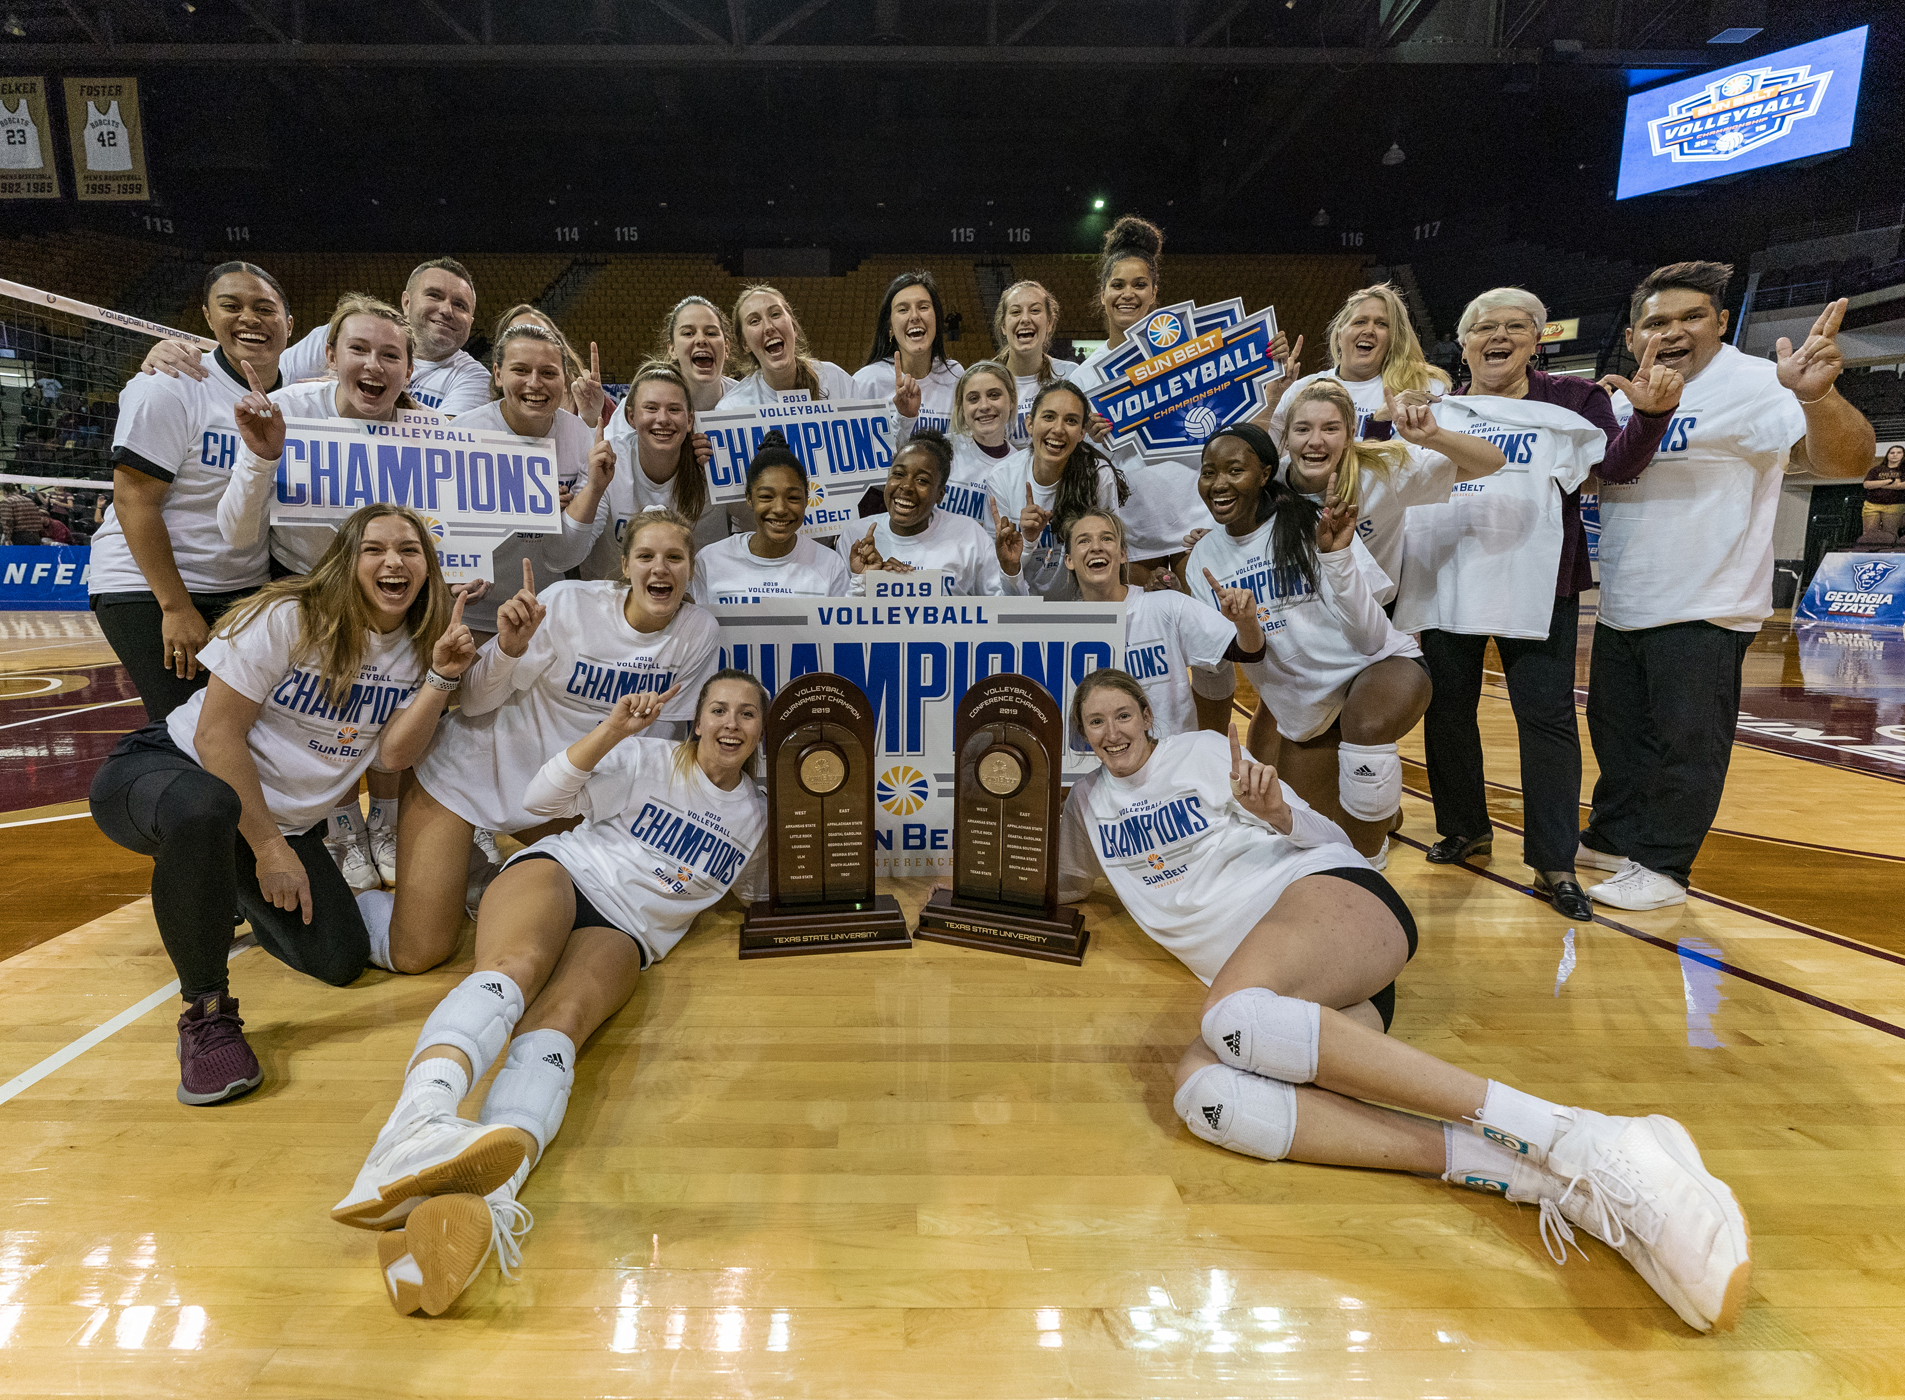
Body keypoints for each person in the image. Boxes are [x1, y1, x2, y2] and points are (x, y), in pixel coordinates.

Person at [1057, 668, 1753, 1336]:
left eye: (1122, 714)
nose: (1112, 731)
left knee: (1230, 1015)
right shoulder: (1086, 805)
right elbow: (1043, 879)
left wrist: (1275, 812)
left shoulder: (1202, 751)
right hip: (1282, 996)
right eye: (1095, 722)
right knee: (1208, 1098)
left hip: (1325, 901)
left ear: (1148, 717)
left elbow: (1330, 839)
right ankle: (1537, 1179)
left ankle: (1583, 1136)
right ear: (1083, 737)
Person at [332, 670, 769, 1318]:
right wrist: (613, 729)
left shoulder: (757, 816)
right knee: (518, 963)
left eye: (747, 715)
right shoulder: (649, 756)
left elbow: (761, 895)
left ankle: (486, 1201)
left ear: (759, 731)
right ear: (698, 721)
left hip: (630, 931)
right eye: (719, 710)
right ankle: (414, 1126)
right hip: (567, 873)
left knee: (560, 1026)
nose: (731, 724)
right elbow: (543, 795)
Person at [86, 504, 468, 1105]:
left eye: (410, 550)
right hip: (170, 773)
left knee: (338, 959)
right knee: (207, 808)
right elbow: (216, 736)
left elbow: (393, 756)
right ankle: (206, 1016)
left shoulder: (422, 645)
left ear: (428, 568)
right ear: (347, 561)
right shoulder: (289, 616)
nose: (393, 561)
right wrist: (268, 847)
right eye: (375, 549)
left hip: (272, 823)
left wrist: (442, 678)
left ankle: (217, 882)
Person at [1582, 265, 1875, 910]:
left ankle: (1664, 867)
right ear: (1634, 337)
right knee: (1617, 731)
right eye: (1657, 322)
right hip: (1625, 601)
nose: (1675, 332)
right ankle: (1614, 837)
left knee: (1688, 742)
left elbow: (1847, 464)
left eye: (1692, 318)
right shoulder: (1628, 397)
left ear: (1720, 323)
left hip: (1709, 601)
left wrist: (1816, 397)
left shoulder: (1758, 383)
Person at [1397, 287, 1680, 919]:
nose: (1499, 337)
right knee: (1446, 712)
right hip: (1446, 576)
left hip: (1539, 585)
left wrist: (1651, 417)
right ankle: (1464, 826)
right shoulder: (1432, 410)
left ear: (1537, 339)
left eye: (1515, 327)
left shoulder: (1573, 403)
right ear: (1463, 342)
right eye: (1484, 327)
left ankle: (1554, 859)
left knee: (1546, 719)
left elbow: (1616, 466)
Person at [391, 507, 721, 971]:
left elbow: (667, 744)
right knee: (419, 953)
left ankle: (477, 873)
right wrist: (508, 648)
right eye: (645, 556)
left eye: (674, 558)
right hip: (472, 770)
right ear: (625, 567)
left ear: (690, 568)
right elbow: (474, 703)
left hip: (560, 792)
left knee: (593, 907)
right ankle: (395, 899)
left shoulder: (697, 632)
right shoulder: (568, 602)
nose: (660, 568)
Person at [1185, 423, 1448, 865]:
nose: (1219, 483)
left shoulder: (1309, 522)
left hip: (1377, 668)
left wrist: (1337, 557)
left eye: (1235, 470)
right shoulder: (1202, 561)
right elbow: (1245, 655)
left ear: (1266, 473)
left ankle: (1368, 865)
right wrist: (1246, 624)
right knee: (1300, 828)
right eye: (1208, 472)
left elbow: (1369, 635)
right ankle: (1381, 811)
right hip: (1305, 707)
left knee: (1361, 747)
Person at [88, 262, 289, 722]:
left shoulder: (296, 396)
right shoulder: (170, 385)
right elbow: (134, 500)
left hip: (241, 590)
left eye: (264, 308)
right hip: (149, 588)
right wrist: (176, 607)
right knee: (194, 728)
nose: (249, 318)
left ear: (288, 323)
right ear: (206, 316)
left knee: (253, 730)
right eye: (231, 306)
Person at [140, 257, 491, 415]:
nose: (446, 309)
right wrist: (189, 356)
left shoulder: (473, 377)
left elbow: (444, 441)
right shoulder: (336, 334)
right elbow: (262, 375)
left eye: (460, 304)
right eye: (435, 295)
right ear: (406, 301)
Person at [440, 322, 612, 636]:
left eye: (548, 373)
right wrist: (452, 576)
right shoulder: (462, 435)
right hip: (468, 615)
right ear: (497, 374)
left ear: (564, 379)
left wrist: (570, 510)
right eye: (520, 370)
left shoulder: (581, 440)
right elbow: (438, 530)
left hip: (540, 618)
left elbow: (565, 558)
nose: (535, 384)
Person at [1061, 508, 1266, 739]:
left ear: (1123, 554)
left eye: (1107, 538)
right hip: (1102, 763)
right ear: (1069, 560)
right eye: (1083, 540)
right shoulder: (1059, 629)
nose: (1096, 546)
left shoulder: (1167, 605)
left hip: (1174, 764)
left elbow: (1249, 652)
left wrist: (1246, 622)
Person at [587, 360, 734, 572]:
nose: (663, 419)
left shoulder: (703, 471)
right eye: (651, 408)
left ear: (690, 420)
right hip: (607, 597)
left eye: (674, 409)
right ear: (631, 417)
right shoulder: (611, 464)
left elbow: (706, 565)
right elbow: (567, 556)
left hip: (674, 598)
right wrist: (593, 488)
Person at [987, 380, 1129, 597]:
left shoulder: (1098, 475)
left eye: (1071, 421)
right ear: (1029, 424)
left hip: (1082, 607)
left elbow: (1111, 562)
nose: (1058, 429)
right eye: (1049, 417)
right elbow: (999, 577)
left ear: (1082, 433)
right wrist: (1028, 543)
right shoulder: (1003, 477)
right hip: (1022, 609)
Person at [1265, 283, 1449, 446]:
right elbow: (1264, 453)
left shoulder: (1421, 387)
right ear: (1339, 336)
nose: (1369, 330)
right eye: (1360, 321)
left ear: (1393, 340)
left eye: (1381, 324)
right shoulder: (1301, 389)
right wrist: (1271, 398)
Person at [838, 429, 1015, 597]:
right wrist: (868, 584)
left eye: (922, 480)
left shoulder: (969, 535)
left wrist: (1011, 571)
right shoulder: (855, 536)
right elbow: (832, 619)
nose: (906, 486)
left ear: (940, 494)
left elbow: (1005, 614)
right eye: (898, 474)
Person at [720, 284, 919, 425]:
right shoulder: (732, 409)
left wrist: (905, 417)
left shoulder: (836, 380)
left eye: (775, 314)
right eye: (754, 321)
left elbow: (874, 453)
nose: (769, 327)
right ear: (745, 343)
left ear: (794, 326)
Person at [691, 433, 850, 603]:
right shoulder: (710, 560)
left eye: (793, 498)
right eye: (766, 497)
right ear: (749, 498)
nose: (780, 509)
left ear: (807, 500)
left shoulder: (830, 564)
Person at [853, 269, 963, 435]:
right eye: (903, 310)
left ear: (936, 319)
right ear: (890, 327)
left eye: (923, 307)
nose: (915, 316)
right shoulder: (867, 383)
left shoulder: (955, 375)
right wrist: (905, 417)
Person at [990, 280, 1078, 449]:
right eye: (1015, 312)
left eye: (1035, 310)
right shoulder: (984, 383)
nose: (1025, 319)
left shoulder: (1071, 376)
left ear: (1050, 323)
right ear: (1003, 325)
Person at [486, 304, 605, 428]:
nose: (534, 383)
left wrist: (590, 419)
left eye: (540, 333)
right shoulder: (481, 423)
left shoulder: (593, 399)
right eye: (517, 334)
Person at [942, 360, 1017, 525]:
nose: (984, 406)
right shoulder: (942, 449)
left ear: (1011, 400)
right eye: (973, 398)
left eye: (994, 395)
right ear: (962, 407)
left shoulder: (1020, 467)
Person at [1857, 443, 1905, 545]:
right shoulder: (1876, 469)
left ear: (1903, 455)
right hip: (1872, 505)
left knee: (1890, 534)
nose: (1894, 455)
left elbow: (1901, 486)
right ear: (1887, 455)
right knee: (1868, 534)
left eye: (1898, 452)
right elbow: (1866, 484)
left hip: (1894, 506)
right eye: (1892, 452)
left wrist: (1877, 484)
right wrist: (1888, 481)